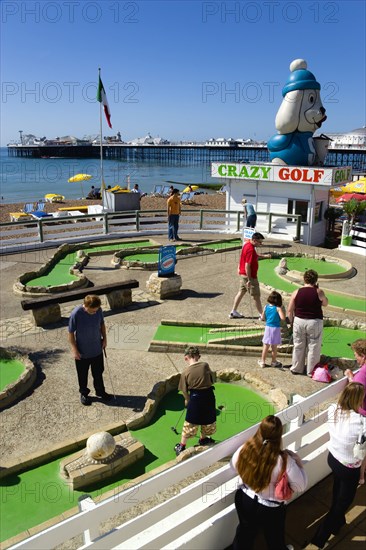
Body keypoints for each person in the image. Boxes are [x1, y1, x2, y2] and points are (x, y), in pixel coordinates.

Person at [231, 415, 307, 550]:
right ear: (279, 436)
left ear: (259, 430)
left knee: (244, 534)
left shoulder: (246, 448)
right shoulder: (284, 460)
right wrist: (298, 463)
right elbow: (300, 485)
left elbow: (233, 465)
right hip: (270, 509)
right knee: (274, 538)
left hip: (245, 498)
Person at [308, 383, 365, 549]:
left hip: (333, 458)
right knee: (343, 503)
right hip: (349, 467)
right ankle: (319, 538)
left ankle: (338, 522)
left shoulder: (333, 409)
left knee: (338, 490)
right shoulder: (361, 423)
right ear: (358, 400)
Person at [68, 294, 112, 406]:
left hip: (97, 349)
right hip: (82, 352)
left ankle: (100, 391)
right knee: (82, 375)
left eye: (96, 310)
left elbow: (102, 324)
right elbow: (71, 333)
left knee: (98, 373)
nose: (94, 312)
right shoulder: (76, 313)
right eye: (92, 311)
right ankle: (84, 393)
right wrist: (74, 350)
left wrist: (105, 339)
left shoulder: (98, 310)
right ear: (85, 306)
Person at [174, 346, 216, 456]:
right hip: (209, 397)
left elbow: (184, 390)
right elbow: (212, 380)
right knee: (207, 419)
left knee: (190, 422)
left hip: (195, 399)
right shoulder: (205, 365)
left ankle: (182, 446)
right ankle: (203, 439)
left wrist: (187, 401)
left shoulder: (185, 372)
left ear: (186, 358)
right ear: (198, 356)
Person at [287, 269, 328, 376]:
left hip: (299, 321)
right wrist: (317, 289)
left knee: (298, 345)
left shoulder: (296, 292)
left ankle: (296, 368)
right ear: (315, 280)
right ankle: (311, 371)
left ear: (304, 279)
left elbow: (290, 310)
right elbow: (325, 303)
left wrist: (291, 323)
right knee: (313, 347)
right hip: (314, 321)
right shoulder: (319, 292)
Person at [229, 232, 271, 319]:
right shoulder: (251, 250)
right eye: (260, 242)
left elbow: (249, 257)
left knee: (241, 292)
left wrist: (264, 256)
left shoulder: (247, 244)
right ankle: (262, 315)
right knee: (256, 296)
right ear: (254, 240)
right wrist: (249, 280)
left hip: (243, 274)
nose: (261, 244)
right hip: (249, 276)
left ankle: (233, 312)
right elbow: (247, 265)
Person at [345, 338, 366, 484]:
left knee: (360, 449)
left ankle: (357, 475)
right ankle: (362, 476)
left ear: (363, 355)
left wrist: (350, 378)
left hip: (363, 416)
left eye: (356, 355)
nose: (355, 358)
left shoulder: (363, 373)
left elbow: (357, 392)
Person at [258, 291, 286, 368]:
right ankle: (273, 362)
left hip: (268, 327)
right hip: (276, 328)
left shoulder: (266, 307)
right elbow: (283, 318)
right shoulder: (278, 308)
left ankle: (262, 361)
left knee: (266, 345)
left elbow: (263, 318)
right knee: (274, 346)